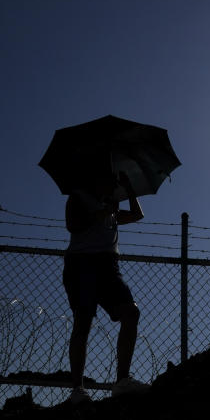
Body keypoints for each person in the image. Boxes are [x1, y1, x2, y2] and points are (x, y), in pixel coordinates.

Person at [63, 168, 149, 404]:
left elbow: (136, 215)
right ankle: (77, 389)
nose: (115, 188)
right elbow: (73, 225)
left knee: (131, 312)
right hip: (81, 266)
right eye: (112, 182)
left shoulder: (109, 203)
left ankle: (122, 380)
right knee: (83, 323)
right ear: (98, 180)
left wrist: (131, 190)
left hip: (108, 267)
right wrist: (103, 212)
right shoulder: (79, 197)